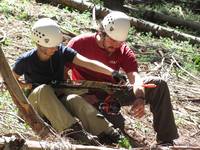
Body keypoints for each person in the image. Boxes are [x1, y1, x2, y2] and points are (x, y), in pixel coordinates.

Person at [66, 11, 179, 146]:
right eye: (112, 40)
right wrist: (79, 95)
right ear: (102, 32)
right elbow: (62, 74)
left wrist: (140, 97)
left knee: (158, 85)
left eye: (120, 42)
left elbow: (135, 77)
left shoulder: (123, 51)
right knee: (115, 129)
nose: (115, 46)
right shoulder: (79, 43)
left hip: (111, 93)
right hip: (85, 94)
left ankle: (166, 140)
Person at [12, 18, 127, 145]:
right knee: (44, 89)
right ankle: (74, 133)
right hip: (35, 106)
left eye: (56, 45)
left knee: (74, 99)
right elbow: (10, 80)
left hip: (56, 102)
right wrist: (25, 86)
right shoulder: (25, 60)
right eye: (51, 46)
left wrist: (112, 72)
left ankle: (108, 133)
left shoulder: (61, 52)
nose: (55, 49)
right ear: (39, 43)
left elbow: (87, 62)